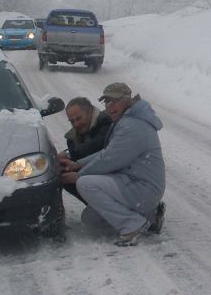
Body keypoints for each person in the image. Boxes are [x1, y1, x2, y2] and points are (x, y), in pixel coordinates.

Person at [58, 82, 166, 246]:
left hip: (143, 188)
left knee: (85, 184)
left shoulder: (133, 126)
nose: (109, 106)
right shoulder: (127, 120)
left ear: (127, 100)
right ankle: (149, 217)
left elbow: (109, 159)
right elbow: (108, 152)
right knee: (90, 219)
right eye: (106, 101)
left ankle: (132, 224)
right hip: (134, 184)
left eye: (114, 101)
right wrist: (77, 164)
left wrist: (79, 175)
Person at [60, 96, 112, 203]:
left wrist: (70, 155)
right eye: (72, 121)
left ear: (90, 112)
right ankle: (96, 207)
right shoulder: (72, 137)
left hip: (113, 174)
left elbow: (97, 146)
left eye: (78, 118)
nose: (76, 124)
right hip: (96, 173)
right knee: (64, 175)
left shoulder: (107, 121)